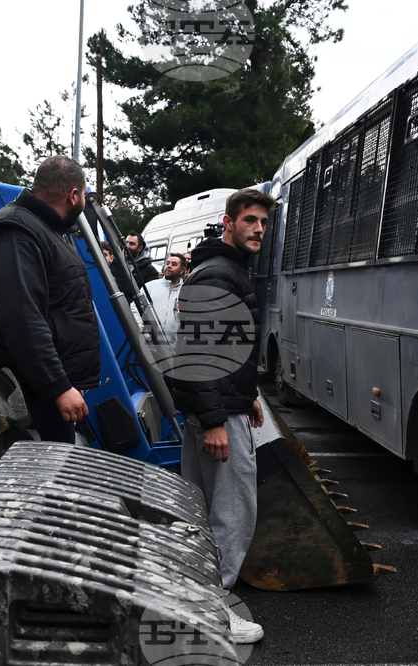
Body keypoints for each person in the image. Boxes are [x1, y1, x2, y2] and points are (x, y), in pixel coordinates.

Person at [170, 188, 276, 644]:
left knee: (199, 513)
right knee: (232, 516)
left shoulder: (222, 269)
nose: (258, 229)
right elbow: (196, 355)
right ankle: (214, 614)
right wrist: (215, 420)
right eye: (250, 220)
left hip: (217, 406)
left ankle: (191, 603)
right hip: (215, 416)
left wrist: (246, 395)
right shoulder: (219, 274)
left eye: (264, 222)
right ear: (229, 222)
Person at [0, 156, 100, 444]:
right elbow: (23, 320)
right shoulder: (17, 233)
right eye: (84, 195)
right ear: (73, 195)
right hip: (29, 394)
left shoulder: (44, 230)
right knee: (46, 467)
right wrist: (58, 386)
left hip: (43, 387)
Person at [132, 253, 186, 349]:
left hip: (174, 349)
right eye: (167, 263)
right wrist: (140, 327)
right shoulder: (150, 286)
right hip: (148, 346)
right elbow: (135, 307)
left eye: (174, 264)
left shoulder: (186, 291)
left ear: (182, 270)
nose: (169, 266)